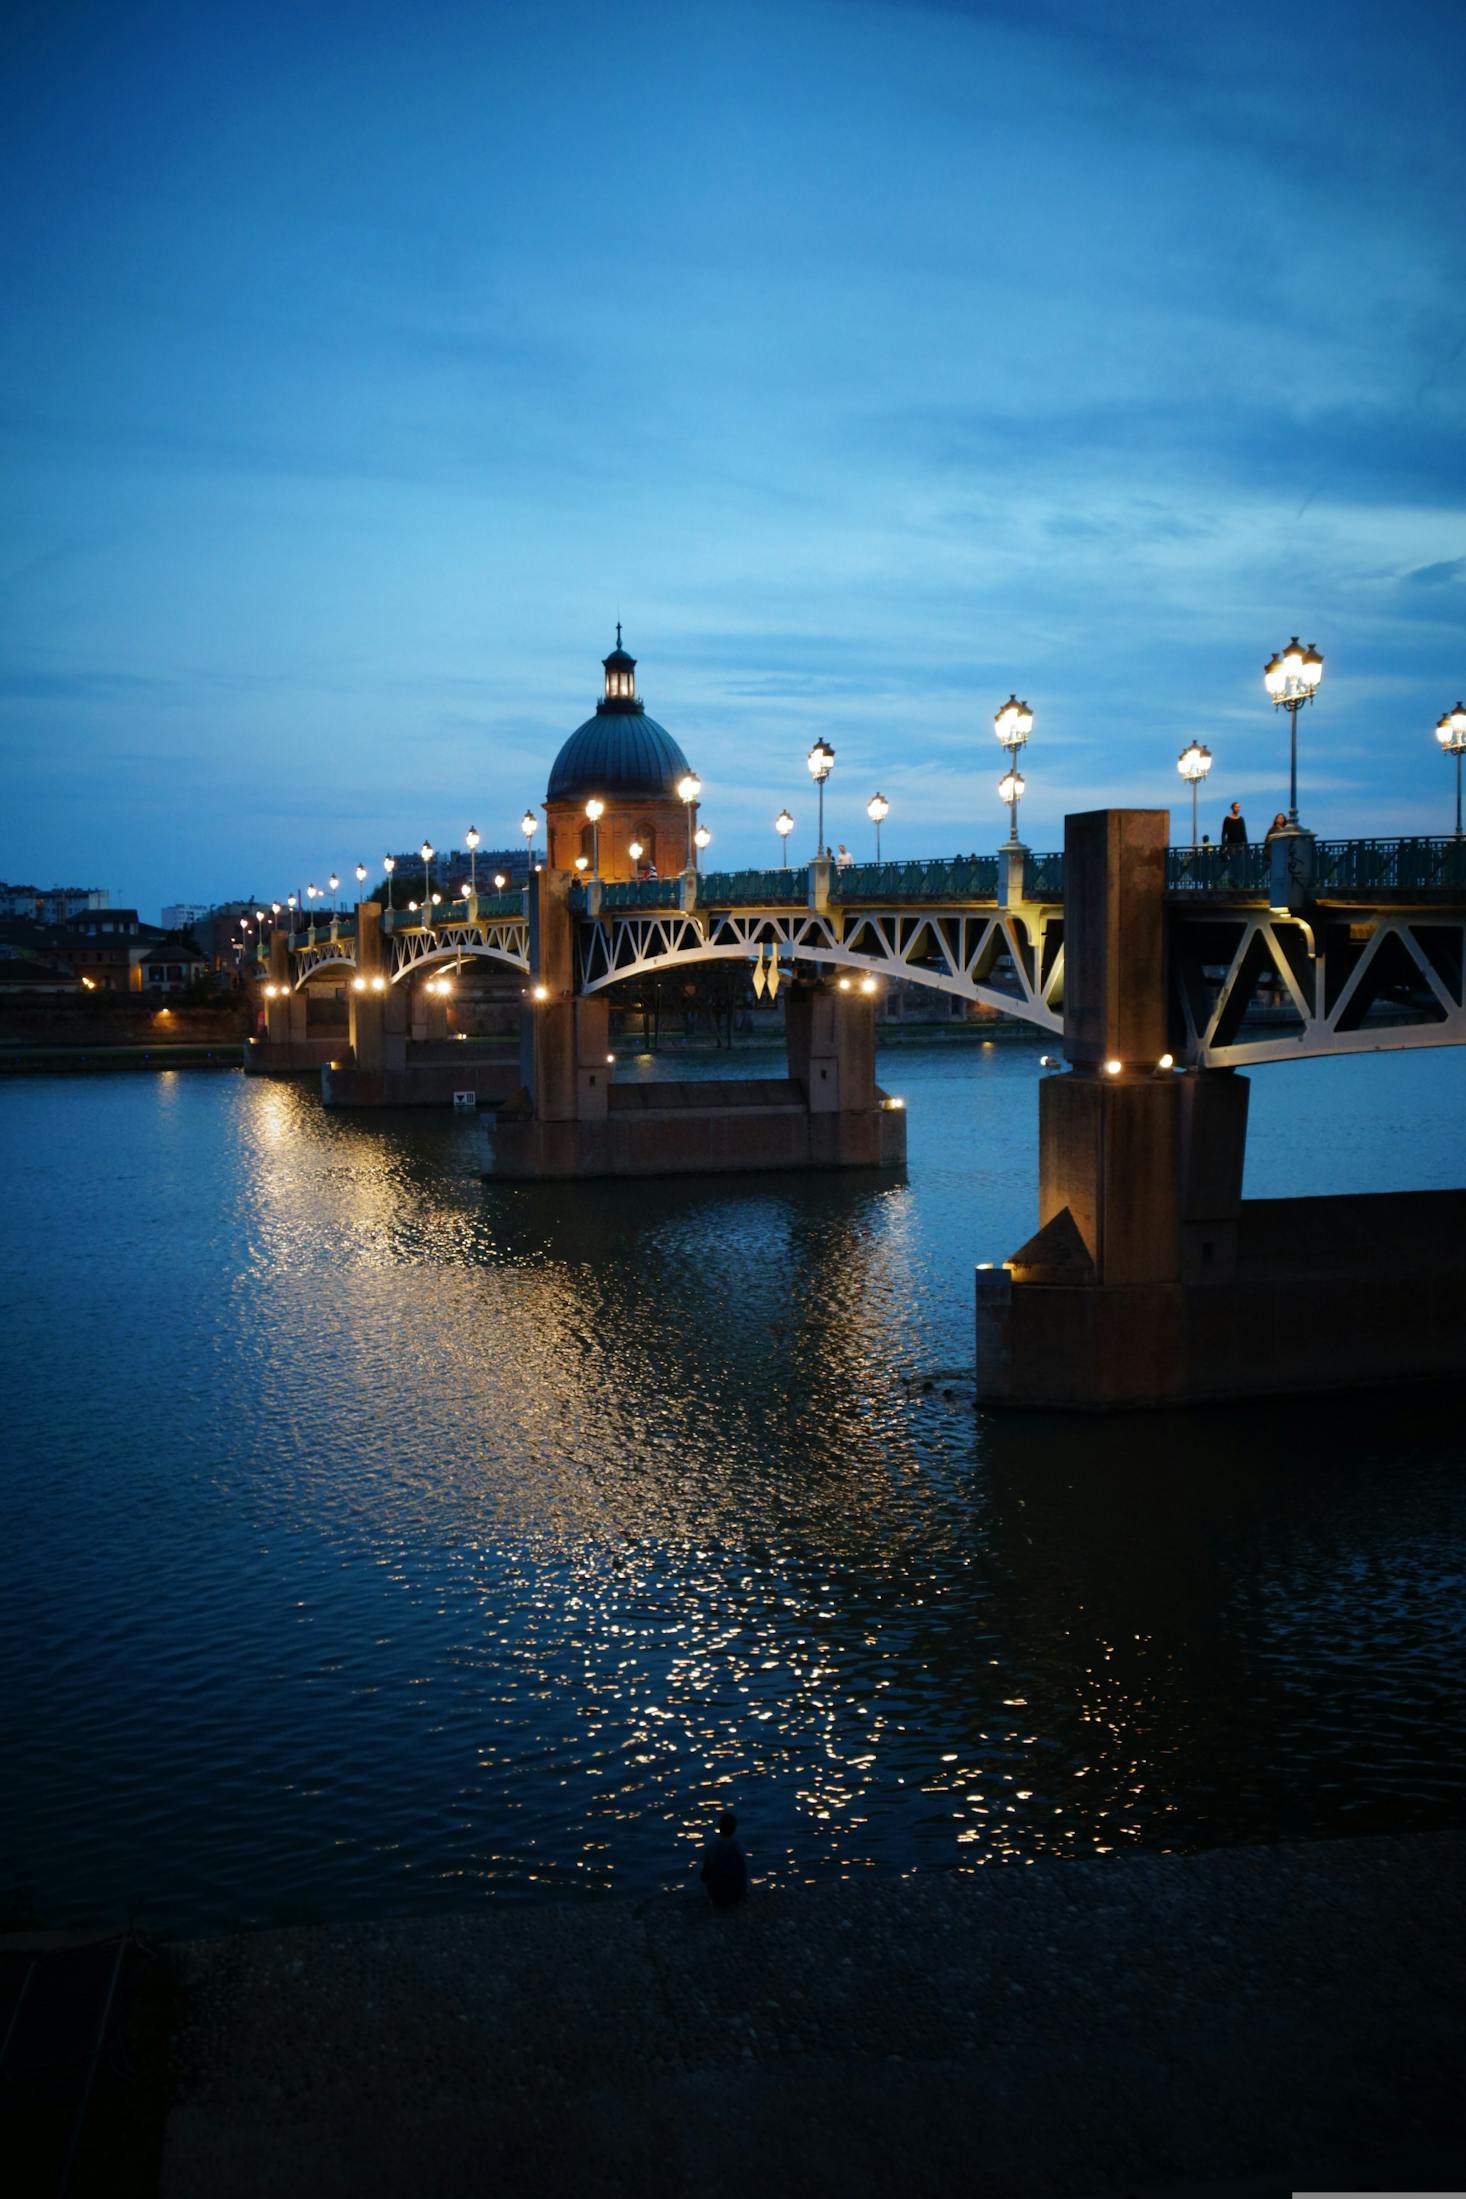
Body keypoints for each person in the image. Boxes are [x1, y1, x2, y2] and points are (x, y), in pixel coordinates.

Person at [700, 1811, 748, 1908]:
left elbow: (705, 1876)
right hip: (737, 1894)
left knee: (702, 1867)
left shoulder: (712, 1847)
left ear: (719, 1828)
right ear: (734, 1829)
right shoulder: (739, 1847)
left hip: (718, 1896)